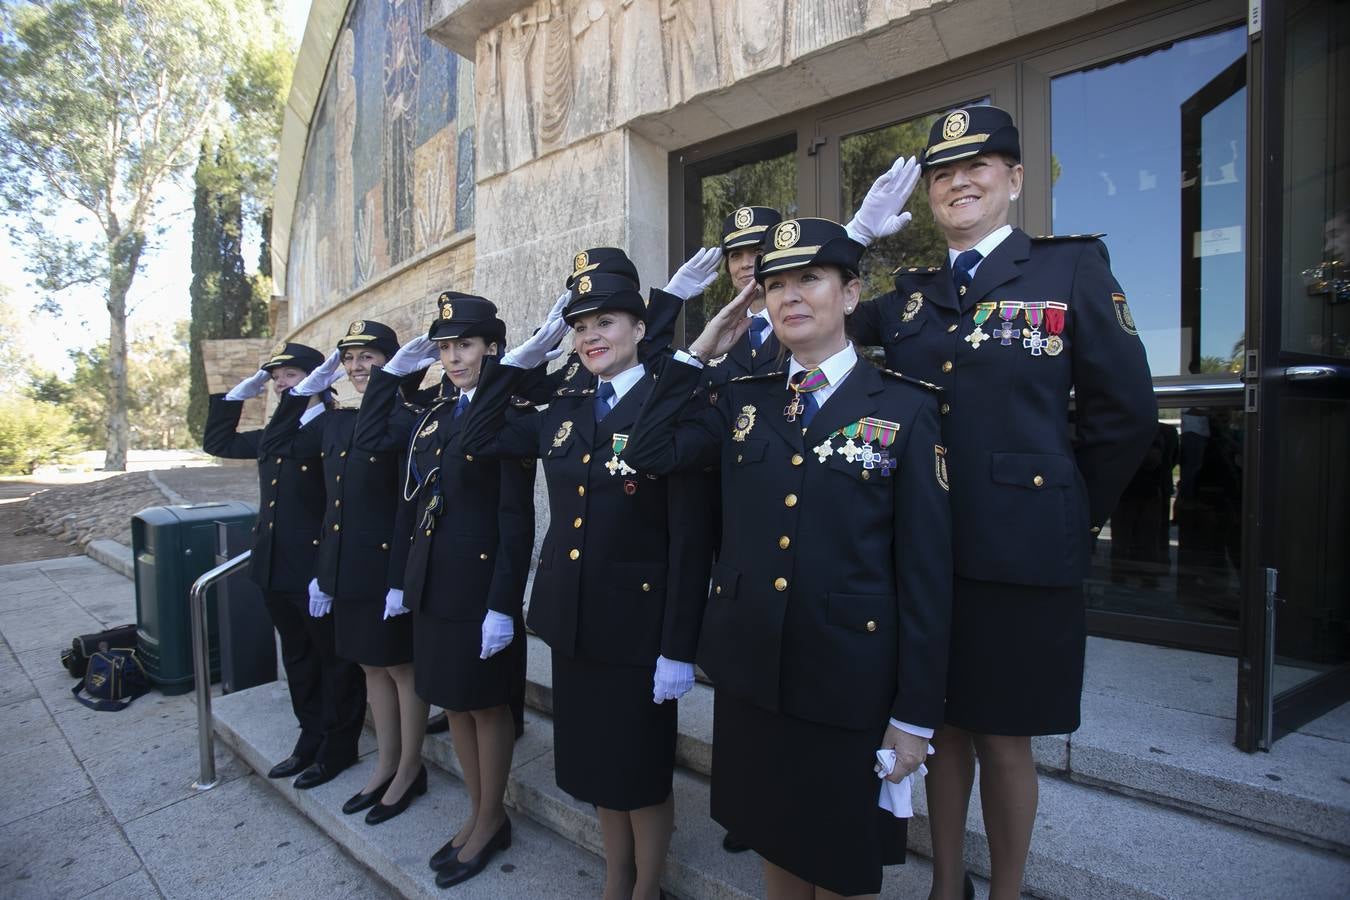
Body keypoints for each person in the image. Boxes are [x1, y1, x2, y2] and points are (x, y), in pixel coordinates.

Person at [845, 106, 1157, 900]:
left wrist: (1070, 508)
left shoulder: (1071, 269)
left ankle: (1006, 892)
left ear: (1014, 180)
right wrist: (856, 238)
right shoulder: (906, 298)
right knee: (940, 729)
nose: (960, 181)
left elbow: (1126, 415)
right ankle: (947, 885)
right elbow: (806, 310)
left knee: (1005, 739)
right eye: (944, 172)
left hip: (1022, 550)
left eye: (979, 165)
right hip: (922, 549)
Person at [623, 216, 953, 899]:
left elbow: (925, 575)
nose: (790, 295)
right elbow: (648, 450)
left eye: (810, 278)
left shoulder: (905, 409)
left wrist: (915, 715)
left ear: (852, 293)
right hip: (753, 675)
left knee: (838, 863)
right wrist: (699, 352)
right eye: (775, 284)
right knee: (773, 842)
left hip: (848, 681)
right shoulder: (742, 401)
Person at [459, 273, 713, 900]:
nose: (591, 336)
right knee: (597, 767)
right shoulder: (566, 412)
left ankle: (646, 886)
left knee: (640, 772)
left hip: (638, 629)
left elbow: (689, 539)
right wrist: (518, 362)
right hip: (572, 619)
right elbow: (480, 435)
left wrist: (679, 645)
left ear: (638, 328)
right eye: (579, 327)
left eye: (605, 322)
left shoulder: (670, 402)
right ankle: (613, 877)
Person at [353, 293, 536, 887]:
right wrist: (392, 375)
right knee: (453, 702)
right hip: (432, 584)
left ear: (493, 347)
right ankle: (477, 813)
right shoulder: (432, 416)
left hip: (480, 588)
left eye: (466, 345)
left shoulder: (508, 412)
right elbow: (387, 462)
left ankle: (491, 816)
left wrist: (504, 604)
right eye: (445, 348)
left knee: (485, 703)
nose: (454, 357)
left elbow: (516, 518)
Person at [260, 320, 430, 822]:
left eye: (368, 358)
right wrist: (324, 572)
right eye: (349, 359)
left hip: (387, 568)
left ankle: (409, 769)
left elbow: (408, 507)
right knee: (370, 667)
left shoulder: (411, 419)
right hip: (347, 568)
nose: (357, 368)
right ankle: (386, 764)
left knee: (400, 669)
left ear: (394, 363)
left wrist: (401, 579)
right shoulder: (337, 422)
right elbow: (285, 452)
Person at [203, 343, 368, 788]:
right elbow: (217, 442)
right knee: (297, 657)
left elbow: (343, 504)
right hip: (273, 567)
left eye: (290, 376)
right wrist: (238, 395)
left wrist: (327, 572)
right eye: (276, 377)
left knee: (334, 662)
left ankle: (338, 747)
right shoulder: (279, 432)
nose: (280, 384)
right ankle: (309, 736)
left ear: (318, 379)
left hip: (316, 569)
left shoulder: (336, 425)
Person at [700, 205, 784, 388]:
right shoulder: (716, 332)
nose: (745, 264)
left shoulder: (803, 324)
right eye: (735, 255)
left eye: (757, 252)